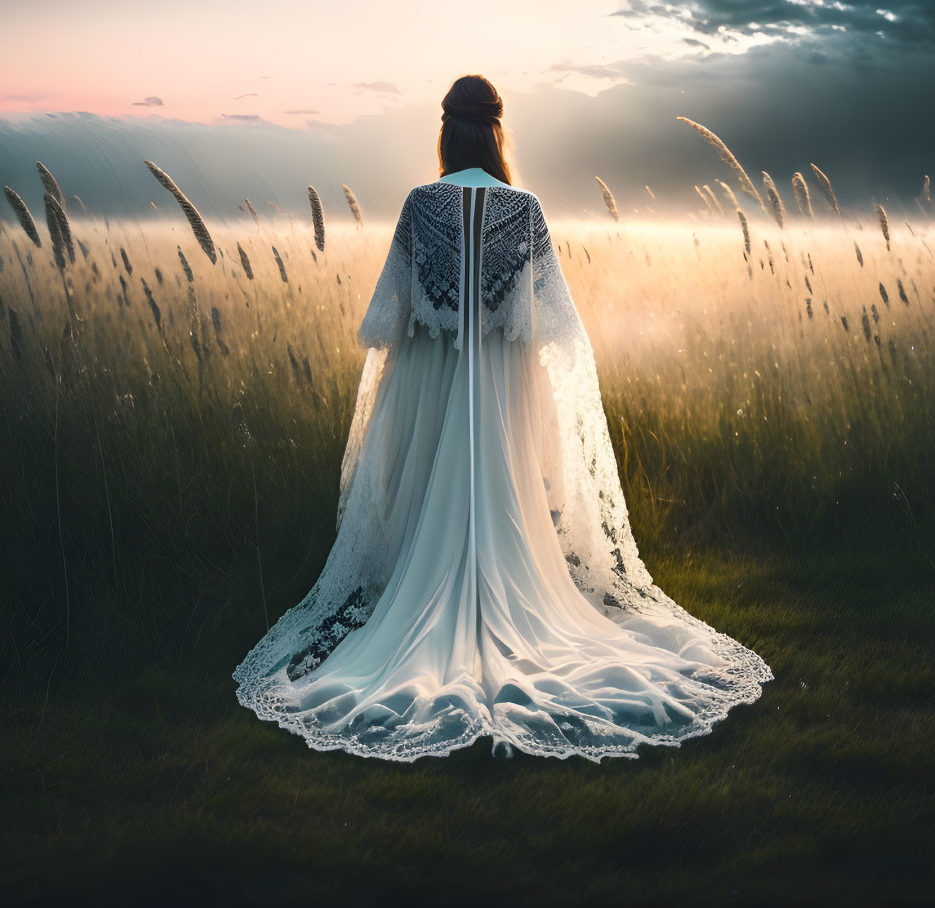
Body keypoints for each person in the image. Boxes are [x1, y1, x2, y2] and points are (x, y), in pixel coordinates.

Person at [233, 74, 773, 761]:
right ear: (495, 132)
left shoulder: (420, 205)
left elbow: (387, 320)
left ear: (445, 132)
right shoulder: (523, 209)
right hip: (499, 386)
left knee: (427, 506)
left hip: (433, 385)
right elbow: (555, 328)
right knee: (507, 506)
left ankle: (416, 608)